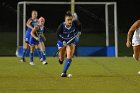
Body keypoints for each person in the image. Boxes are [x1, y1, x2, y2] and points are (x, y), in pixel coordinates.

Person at [56, 11, 82, 77]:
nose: (70, 21)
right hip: (62, 41)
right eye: (68, 20)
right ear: (65, 19)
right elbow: (57, 34)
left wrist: (79, 31)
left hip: (71, 41)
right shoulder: (62, 26)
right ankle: (60, 59)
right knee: (61, 59)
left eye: (71, 19)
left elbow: (79, 25)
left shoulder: (75, 23)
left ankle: (64, 72)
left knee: (70, 53)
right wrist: (63, 41)